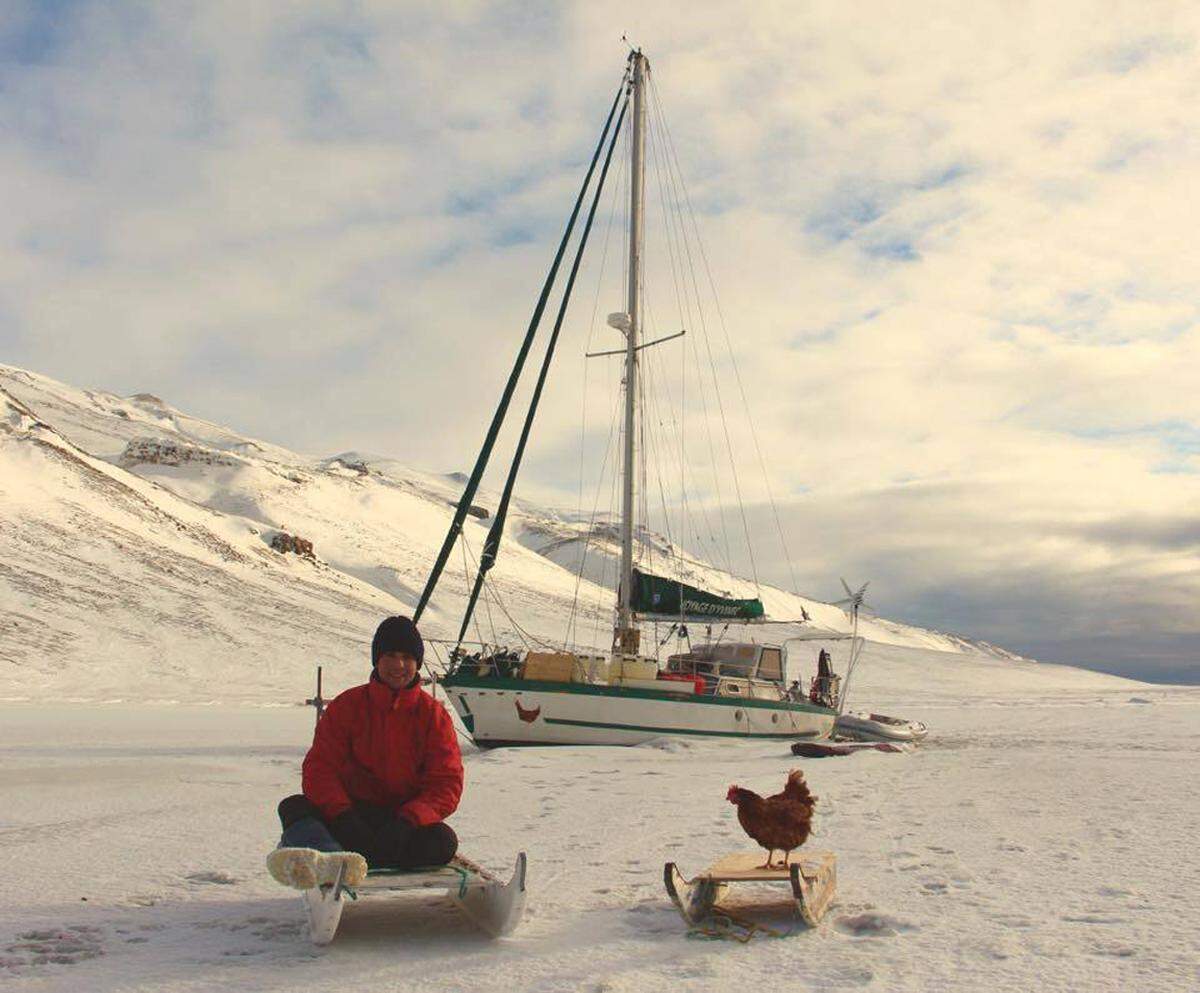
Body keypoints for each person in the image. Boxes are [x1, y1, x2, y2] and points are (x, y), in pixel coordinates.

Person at [267, 616, 464, 889]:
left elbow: (446, 783)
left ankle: (335, 855)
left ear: (417, 663)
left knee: (443, 841)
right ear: (376, 660)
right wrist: (343, 816)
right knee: (294, 807)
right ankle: (335, 860)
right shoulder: (347, 706)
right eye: (390, 656)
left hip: (401, 823)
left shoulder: (434, 716)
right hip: (351, 816)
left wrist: (409, 821)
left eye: (407, 657)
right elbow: (320, 768)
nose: (398, 665)